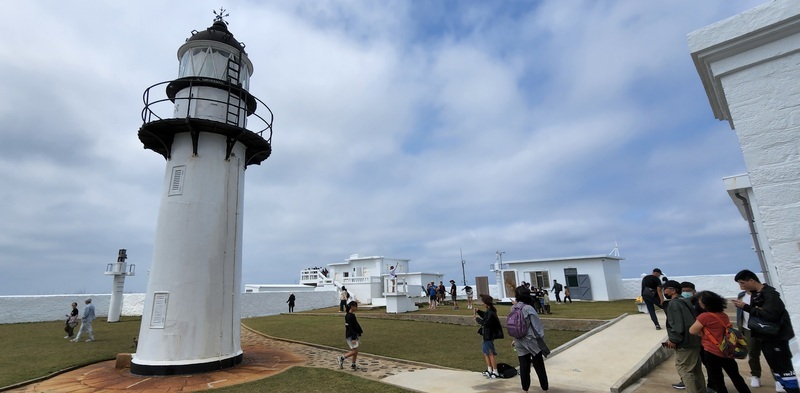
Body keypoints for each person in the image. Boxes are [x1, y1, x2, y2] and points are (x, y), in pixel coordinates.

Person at [732, 270, 798, 393]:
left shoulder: (770, 295)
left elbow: (770, 315)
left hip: (775, 338)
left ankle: (792, 389)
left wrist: (746, 307)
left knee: (784, 369)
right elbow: (758, 312)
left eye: (743, 283)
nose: (742, 286)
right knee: (775, 366)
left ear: (752, 280)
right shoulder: (756, 294)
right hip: (764, 337)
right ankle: (783, 385)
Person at [689, 290, 751, 393]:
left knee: (717, 380)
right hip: (727, 350)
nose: (699, 304)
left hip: (711, 351)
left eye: (700, 302)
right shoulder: (723, 315)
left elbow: (692, 330)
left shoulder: (704, 317)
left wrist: (702, 333)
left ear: (706, 304)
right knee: (736, 376)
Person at [662, 280, 705, 393]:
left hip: (684, 342)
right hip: (694, 340)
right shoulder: (686, 301)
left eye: (665, 288)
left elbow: (677, 324)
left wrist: (674, 339)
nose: (663, 291)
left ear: (673, 290)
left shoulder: (673, 304)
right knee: (696, 370)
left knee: (685, 370)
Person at [512, 285, 550, 392]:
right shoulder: (529, 309)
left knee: (524, 367)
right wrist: (541, 341)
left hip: (518, 340)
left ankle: (525, 389)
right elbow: (537, 328)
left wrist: (514, 339)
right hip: (531, 341)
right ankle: (545, 388)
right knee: (539, 366)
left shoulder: (513, 308)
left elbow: (513, 325)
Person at [736, 289, 773, 389]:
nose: (741, 285)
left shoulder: (762, 296)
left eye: (743, 282)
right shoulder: (741, 295)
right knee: (752, 353)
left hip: (763, 327)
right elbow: (740, 313)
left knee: (770, 353)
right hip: (748, 328)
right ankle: (756, 375)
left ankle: (778, 378)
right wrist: (741, 329)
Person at [474, 294, 503, 379]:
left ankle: (495, 371)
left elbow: (485, 322)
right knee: (485, 352)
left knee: (490, 353)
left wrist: (477, 319)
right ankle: (489, 369)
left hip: (489, 335)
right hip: (486, 335)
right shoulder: (489, 311)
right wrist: (479, 311)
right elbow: (485, 316)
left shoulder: (491, 312)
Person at [337, 301, 363, 371]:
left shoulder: (352, 315)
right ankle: (342, 358)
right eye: (355, 306)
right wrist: (353, 338)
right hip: (351, 336)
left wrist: (359, 332)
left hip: (354, 334)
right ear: (352, 306)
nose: (356, 307)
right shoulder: (348, 316)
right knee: (355, 351)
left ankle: (353, 364)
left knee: (355, 350)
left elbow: (356, 325)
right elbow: (350, 327)